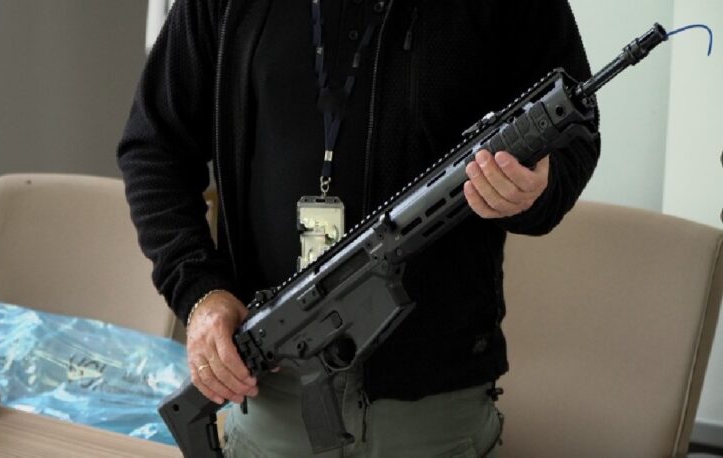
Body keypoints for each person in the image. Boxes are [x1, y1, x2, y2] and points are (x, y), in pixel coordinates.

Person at [118, 0, 599, 455]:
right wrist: (199, 292)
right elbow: (154, 148)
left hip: (435, 414)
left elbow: (575, 135)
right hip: (272, 395)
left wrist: (538, 189)